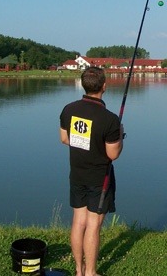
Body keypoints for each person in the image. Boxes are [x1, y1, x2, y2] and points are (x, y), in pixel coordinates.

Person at [59, 66, 124, 276]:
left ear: (84, 85)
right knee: (93, 225)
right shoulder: (110, 119)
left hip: (77, 174)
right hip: (99, 179)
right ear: (104, 86)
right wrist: (120, 135)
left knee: (78, 221)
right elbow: (113, 154)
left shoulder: (68, 109)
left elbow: (65, 139)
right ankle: (91, 273)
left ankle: (78, 270)